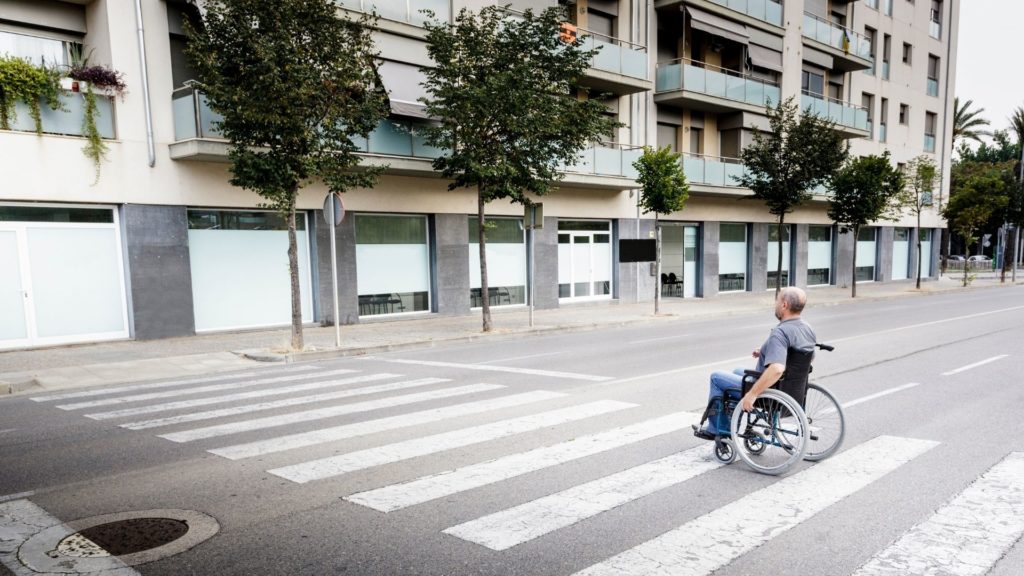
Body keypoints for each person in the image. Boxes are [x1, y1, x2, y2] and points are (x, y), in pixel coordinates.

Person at [693, 286, 817, 438]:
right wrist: (766, 350)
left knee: (716, 378)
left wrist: (752, 394)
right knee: (737, 371)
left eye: (777, 301)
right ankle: (732, 423)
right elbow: (805, 357)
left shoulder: (781, 332)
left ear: (784, 305)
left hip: (770, 390)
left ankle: (718, 429)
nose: (775, 304)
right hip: (791, 388)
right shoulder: (807, 328)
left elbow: (777, 368)